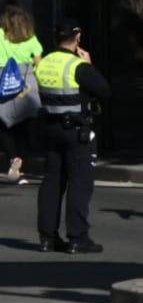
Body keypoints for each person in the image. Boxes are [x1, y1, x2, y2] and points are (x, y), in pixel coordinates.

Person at [34, 18, 109, 254]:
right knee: (80, 183)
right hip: (76, 130)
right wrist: (89, 64)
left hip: (50, 128)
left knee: (52, 182)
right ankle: (78, 238)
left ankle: (47, 238)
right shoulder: (78, 66)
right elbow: (104, 91)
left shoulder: (43, 63)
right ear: (78, 38)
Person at [0, 2, 43, 183]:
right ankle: (21, 162)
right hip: (27, 82)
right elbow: (39, 62)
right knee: (25, 124)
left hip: (4, 81)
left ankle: (12, 157)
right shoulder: (30, 36)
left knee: (2, 123)